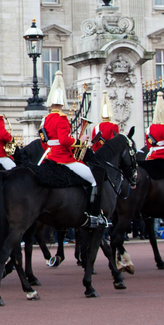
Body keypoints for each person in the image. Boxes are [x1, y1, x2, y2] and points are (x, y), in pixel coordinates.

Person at [39, 72, 104, 228]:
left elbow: (44, 141)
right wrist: (79, 141)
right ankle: (94, 216)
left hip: (49, 155)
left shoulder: (46, 119)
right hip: (62, 158)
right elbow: (63, 140)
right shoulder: (61, 118)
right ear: (62, 103)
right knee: (94, 180)